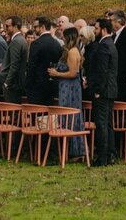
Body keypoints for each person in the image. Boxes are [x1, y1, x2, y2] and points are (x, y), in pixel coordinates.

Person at [48, 26, 87, 160]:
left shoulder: (73, 52)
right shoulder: (69, 51)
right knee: (66, 115)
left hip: (70, 88)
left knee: (69, 114)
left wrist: (56, 73)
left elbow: (72, 73)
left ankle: (75, 150)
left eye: (64, 36)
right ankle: (67, 149)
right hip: (65, 86)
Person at [86, 18, 118, 166]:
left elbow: (102, 71)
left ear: (104, 30)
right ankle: (110, 155)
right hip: (110, 90)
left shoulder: (103, 46)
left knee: (101, 124)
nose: (94, 31)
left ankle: (102, 157)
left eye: (97, 28)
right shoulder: (111, 44)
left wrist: (98, 90)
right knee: (108, 123)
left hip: (103, 91)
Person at [24, 16, 63, 106]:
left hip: (36, 87)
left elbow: (31, 67)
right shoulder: (56, 44)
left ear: (42, 27)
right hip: (51, 87)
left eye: (35, 27)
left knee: (36, 112)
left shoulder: (36, 44)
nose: (34, 29)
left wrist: (27, 85)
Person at [1, 16, 28, 103]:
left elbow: (14, 65)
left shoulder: (16, 41)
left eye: (7, 26)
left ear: (15, 26)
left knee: (11, 108)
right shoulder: (20, 39)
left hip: (13, 85)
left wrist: (7, 83)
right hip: (15, 83)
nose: (5, 28)